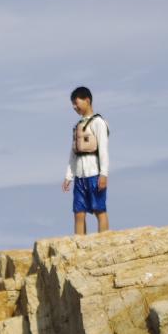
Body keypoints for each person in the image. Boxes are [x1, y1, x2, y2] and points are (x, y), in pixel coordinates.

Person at [61, 85, 110, 235]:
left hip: (94, 173)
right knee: (79, 212)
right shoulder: (78, 126)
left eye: (76, 103)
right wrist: (68, 176)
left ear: (87, 100)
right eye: (73, 104)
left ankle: (104, 242)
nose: (74, 107)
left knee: (99, 210)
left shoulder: (98, 123)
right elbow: (73, 153)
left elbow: (103, 149)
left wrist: (104, 174)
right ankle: (80, 244)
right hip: (80, 176)